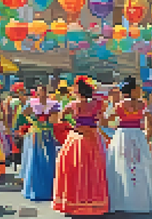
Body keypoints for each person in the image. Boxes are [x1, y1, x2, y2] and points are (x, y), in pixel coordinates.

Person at [53, 76, 109, 215]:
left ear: (78, 90)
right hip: (92, 137)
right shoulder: (98, 103)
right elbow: (103, 121)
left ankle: (74, 201)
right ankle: (93, 201)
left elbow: (60, 118)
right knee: (93, 169)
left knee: (74, 169)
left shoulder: (73, 104)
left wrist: (71, 125)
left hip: (76, 137)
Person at [106, 76, 152, 213]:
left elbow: (107, 120)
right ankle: (140, 198)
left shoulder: (119, 105)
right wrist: (148, 134)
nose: (140, 90)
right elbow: (151, 120)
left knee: (121, 165)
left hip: (122, 135)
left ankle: (121, 199)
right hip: (138, 134)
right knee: (140, 164)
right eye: (137, 88)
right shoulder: (142, 104)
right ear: (132, 90)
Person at [20, 85, 60, 201]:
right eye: (39, 91)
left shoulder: (53, 103)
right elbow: (24, 113)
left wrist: (48, 119)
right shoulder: (32, 102)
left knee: (49, 160)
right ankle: (35, 189)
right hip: (36, 134)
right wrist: (33, 120)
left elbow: (55, 119)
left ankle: (50, 188)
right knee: (35, 160)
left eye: (43, 91)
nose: (41, 93)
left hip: (48, 133)